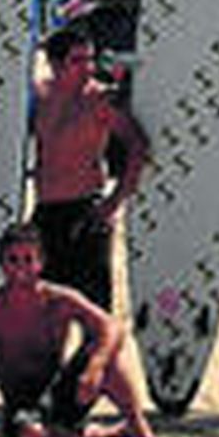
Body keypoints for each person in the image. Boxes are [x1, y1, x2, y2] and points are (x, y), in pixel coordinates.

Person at [0, 223, 160, 437]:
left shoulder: (58, 300)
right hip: (21, 408)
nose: (21, 268)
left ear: (41, 263)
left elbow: (112, 326)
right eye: (13, 260)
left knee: (109, 357)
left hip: (59, 394)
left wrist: (95, 368)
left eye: (28, 260)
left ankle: (141, 434)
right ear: (1, 263)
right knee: (29, 434)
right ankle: (97, 435)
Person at [31, 27, 149, 312]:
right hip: (47, 211)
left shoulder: (100, 99)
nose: (88, 68)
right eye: (78, 60)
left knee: (95, 307)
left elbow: (138, 146)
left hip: (86, 208)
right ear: (55, 64)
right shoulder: (40, 96)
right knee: (48, 306)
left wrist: (114, 200)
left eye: (90, 59)